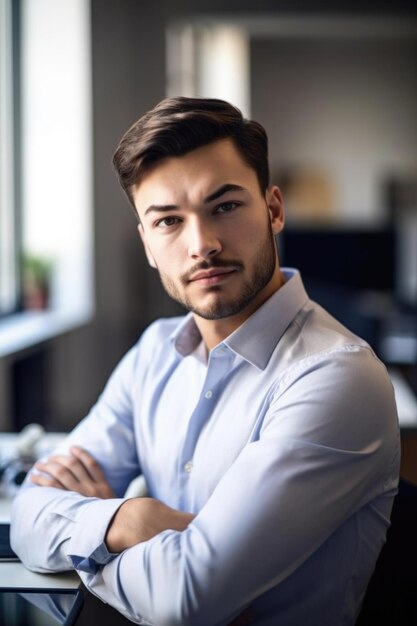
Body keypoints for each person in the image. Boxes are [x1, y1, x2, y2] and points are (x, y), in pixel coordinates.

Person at [11, 97, 400, 626]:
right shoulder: (154, 353)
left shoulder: (336, 377)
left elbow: (185, 598)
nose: (203, 244)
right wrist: (127, 519)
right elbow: (28, 515)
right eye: (169, 221)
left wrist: (89, 539)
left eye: (225, 206)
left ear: (274, 210)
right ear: (148, 244)